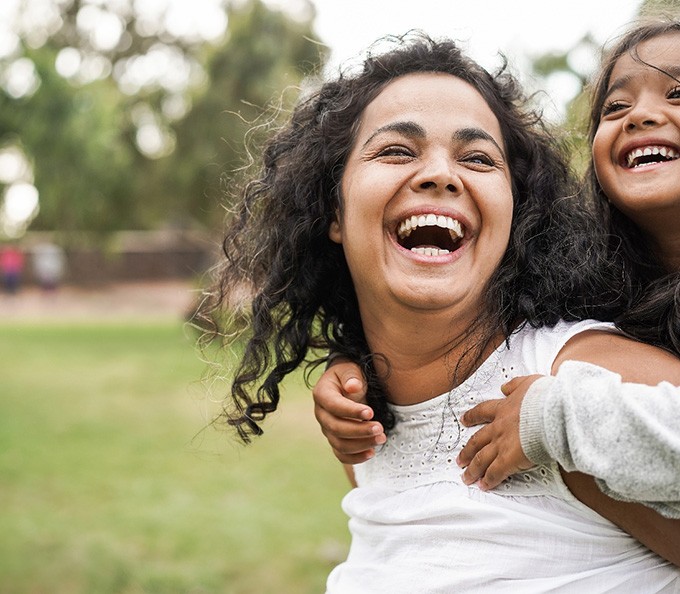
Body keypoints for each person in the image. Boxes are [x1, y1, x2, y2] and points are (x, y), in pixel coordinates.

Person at [201, 34, 680, 590]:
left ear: (514, 214)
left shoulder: (583, 384)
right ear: (333, 208)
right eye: (397, 150)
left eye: (477, 158)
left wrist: (560, 419)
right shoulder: (364, 420)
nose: (439, 174)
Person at [313, 19, 680, 521]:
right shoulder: (608, 288)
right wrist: (356, 366)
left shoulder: (575, 375)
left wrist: (553, 420)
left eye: (678, 93)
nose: (641, 116)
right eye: (615, 108)